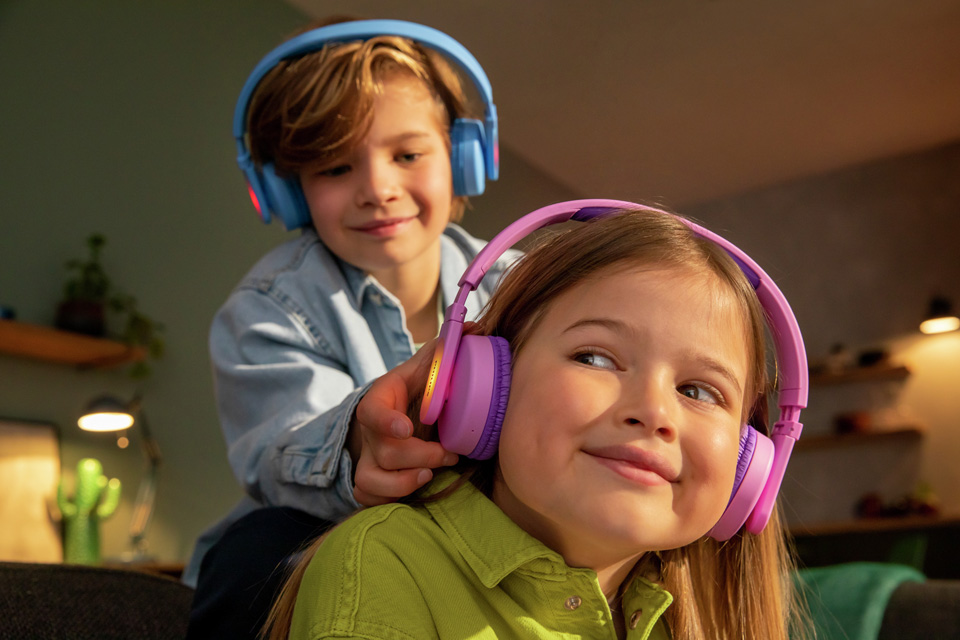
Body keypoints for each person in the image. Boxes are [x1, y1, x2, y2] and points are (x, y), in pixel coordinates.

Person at [263, 202, 812, 640]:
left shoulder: (696, 622)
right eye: (595, 358)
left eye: (698, 391)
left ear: (751, 466)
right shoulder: (383, 563)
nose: (653, 411)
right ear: (483, 387)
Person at [184, 18, 517, 639]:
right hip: (323, 537)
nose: (377, 189)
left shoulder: (523, 285)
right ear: (287, 192)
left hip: (480, 544)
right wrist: (361, 445)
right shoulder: (267, 308)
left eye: (407, 155)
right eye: (335, 169)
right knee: (257, 547)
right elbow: (280, 450)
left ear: (464, 158)